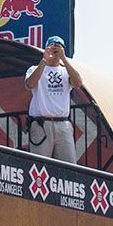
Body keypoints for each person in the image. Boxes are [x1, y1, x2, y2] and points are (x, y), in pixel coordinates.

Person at [24, 35, 83, 163]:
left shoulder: (65, 71)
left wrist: (64, 59)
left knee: (70, 166)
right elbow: (30, 84)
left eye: (58, 48)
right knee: (40, 166)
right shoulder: (34, 69)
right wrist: (44, 60)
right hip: (41, 124)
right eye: (52, 47)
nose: (55, 51)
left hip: (63, 124)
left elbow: (78, 82)